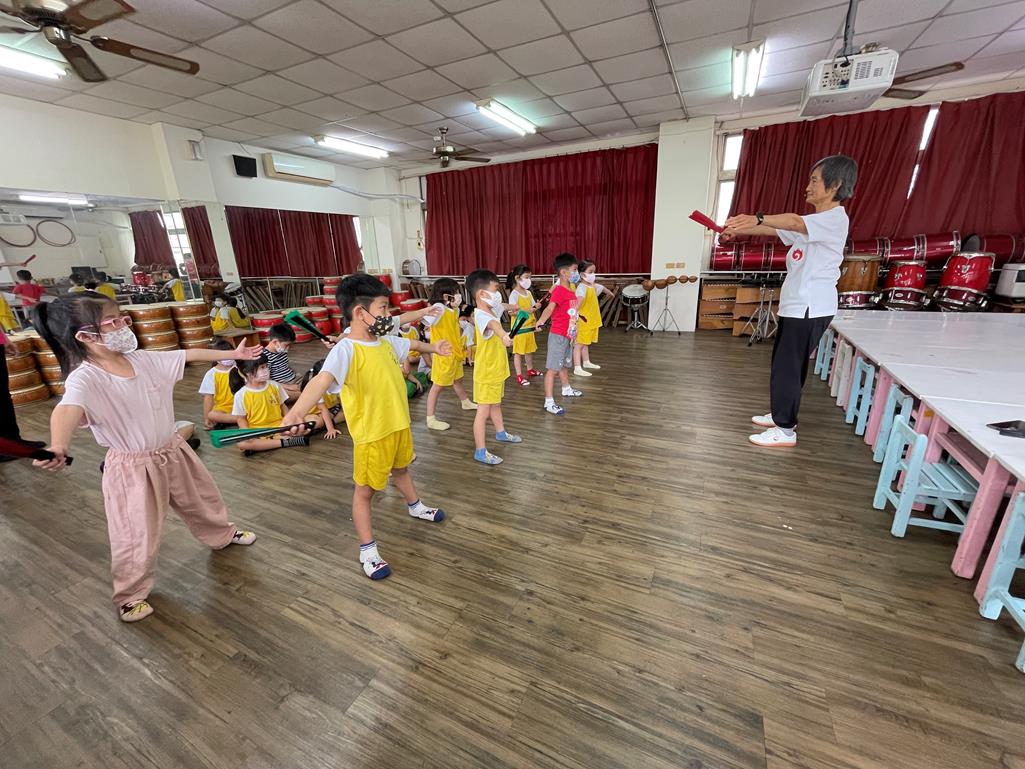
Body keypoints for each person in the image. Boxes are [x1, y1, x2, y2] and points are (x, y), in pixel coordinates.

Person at [31, 293, 261, 622]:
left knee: (201, 499)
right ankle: (130, 593)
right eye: (112, 322)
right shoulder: (85, 377)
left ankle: (221, 534)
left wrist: (233, 353)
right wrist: (58, 445)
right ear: (85, 336)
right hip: (132, 467)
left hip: (172, 450)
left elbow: (186, 354)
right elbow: (66, 409)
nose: (123, 325)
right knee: (135, 531)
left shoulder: (141, 360)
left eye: (122, 317)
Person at [283, 274, 452, 580]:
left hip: (398, 425)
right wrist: (296, 412)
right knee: (365, 492)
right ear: (360, 313)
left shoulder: (385, 341)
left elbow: (411, 343)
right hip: (372, 435)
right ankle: (367, 549)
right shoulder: (346, 350)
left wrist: (434, 347)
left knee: (401, 469)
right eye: (383, 308)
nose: (388, 315)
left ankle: (415, 506)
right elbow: (321, 380)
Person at [722, 154, 858, 448]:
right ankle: (782, 416)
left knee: (788, 367)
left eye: (814, 180)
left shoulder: (833, 219)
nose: (807, 186)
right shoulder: (812, 224)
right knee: (786, 365)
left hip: (810, 306)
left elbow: (791, 221)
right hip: (797, 305)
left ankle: (784, 430)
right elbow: (774, 229)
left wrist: (757, 217)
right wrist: (739, 228)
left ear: (835, 184)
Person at [467, 269, 519, 465]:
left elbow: (501, 306)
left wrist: (515, 307)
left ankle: (501, 432)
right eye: (496, 289)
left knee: (496, 404)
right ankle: (480, 451)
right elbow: (494, 325)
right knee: (483, 411)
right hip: (486, 372)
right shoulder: (482, 315)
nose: (498, 293)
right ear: (482, 293)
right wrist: (504, 335)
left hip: (496, 369)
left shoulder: (491, 309)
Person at [422, 277, 475, 431]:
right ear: (446, 295)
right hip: (443, 354)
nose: (458, 295)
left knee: (458, 379)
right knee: (437, 386)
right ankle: (430, 419)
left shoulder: (453, 309)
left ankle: (465, 402)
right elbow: (425, 321)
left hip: (455, 352)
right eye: (456, 292)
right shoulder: (439, 307)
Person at [229, 355, 310, 455]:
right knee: (242, 443)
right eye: (262, 367)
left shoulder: (274, 385)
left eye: (266, 366)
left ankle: (266, 444)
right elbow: (241, 419)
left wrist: (291, 423)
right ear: (247, 372)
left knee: (305, 426)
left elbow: (283, 407)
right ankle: (285, 442)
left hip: (279, 427)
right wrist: (247, 432)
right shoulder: (240, 395)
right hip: (257, 430)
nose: (266, 370)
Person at [535, 252, 584, 415]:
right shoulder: (559, 291)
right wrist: (541, 320)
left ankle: (566, 389)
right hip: (558, 335)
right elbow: (549, 308)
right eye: (574, 270)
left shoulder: (570, 290)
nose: (577, 273)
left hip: (568, 335)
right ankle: (549, 402)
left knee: (563, 365)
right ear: (563, 272)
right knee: (553, 369)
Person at [506, 264, 542, 386]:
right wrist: (527, 310)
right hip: (519, 328)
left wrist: (537, 306)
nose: (529, 280)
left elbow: (532, 307)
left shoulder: (528, 293)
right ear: (517, 278)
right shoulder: (514, 294)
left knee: (529, 350)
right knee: (518, 352)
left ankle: (530, 369)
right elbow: (511, 312)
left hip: (529, 327)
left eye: (529, 277)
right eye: (526, 277)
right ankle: (519, 376)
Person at [573, 259, 605, 377]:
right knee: (579, 344)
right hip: (583, 321)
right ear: (582, 275)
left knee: (585, 343)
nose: (593, 274)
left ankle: (586, 362)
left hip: (591, 320)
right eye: (590, 272)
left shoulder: (591, 286)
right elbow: (577, 304)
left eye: (594, 272)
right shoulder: (581, 287)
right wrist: (573, 320)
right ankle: (577, 367)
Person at [199, 338, 238, 428]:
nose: (228, 358)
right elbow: (208, 398)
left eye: (230, 354)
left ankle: (230, 420)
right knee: (212, 415)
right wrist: (207, 418)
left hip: (241, 406)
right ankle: (239, 419)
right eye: (224, 356)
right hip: (222, 409)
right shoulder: (211, 374)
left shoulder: (239, 368)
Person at [264, 323, 302, 400]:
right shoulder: (265, 357)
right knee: (281, 395)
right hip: (281, 385)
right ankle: (305, 394)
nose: (288, 348)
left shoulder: (281, 350)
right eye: (286, 345)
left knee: (314, 379)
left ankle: (304, 393)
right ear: (275, 342)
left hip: (295, 379)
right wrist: (289, 387)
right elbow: (267, 381)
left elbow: (285, 366)